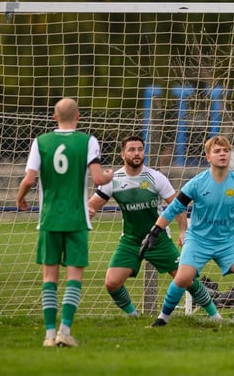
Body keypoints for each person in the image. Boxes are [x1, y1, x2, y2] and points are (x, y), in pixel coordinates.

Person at [88, 135, 220, 320]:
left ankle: (215, 316)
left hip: (158, 240)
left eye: (140, 149)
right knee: (112, 282)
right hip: (131, 241)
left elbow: (177, 205)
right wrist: (90, 210)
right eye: (131, 149)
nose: (136, 153)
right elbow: (93, 204)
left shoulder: (155, 178)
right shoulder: (113, 179)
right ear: (122, 153)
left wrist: (183, 230)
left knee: (186, 279)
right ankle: (134, 316)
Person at [140, 135, 234, 328]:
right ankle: (162, 319)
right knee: (182, 278)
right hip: (198, 240)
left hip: (227, 242)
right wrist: (155, 231)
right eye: (217, 151)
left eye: (225, 150)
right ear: (208, 157)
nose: (222, 154)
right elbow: (174, 208)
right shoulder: (197, 183)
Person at [16, 98, 113, 348]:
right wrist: (109, 175)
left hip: (49, 218)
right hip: (76, 219)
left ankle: (49, 335)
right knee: (74, 277)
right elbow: (98, 179)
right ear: (78, 116)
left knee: (49, 278)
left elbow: (28, 180)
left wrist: (20, 199)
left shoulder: (41, 142)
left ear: (54, 117)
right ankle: (65, 331)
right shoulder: (88, 141)